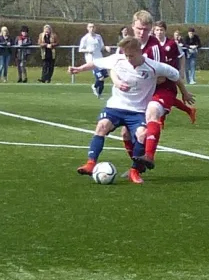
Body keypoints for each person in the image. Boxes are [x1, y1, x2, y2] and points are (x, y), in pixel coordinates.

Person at [68, 36, 180, 184]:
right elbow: (96, 63)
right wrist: (79, 69)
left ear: (140, 52)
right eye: (126, 55)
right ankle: (90, 164)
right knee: (102, 126)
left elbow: (175, 75)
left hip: (138, 110)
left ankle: (134, 171)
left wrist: (183, 92)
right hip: (116, 106)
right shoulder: (118, 59)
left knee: (142, 134)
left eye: (131, 56)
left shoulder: (153, 66)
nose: (128, 59)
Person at [110, 11, 194, 173]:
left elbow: (161, 77)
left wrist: (137, 79)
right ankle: (137, 165)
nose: (143, 33)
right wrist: (119, 81)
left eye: (147, 29)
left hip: (161, 89)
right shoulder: (126, 45)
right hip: (139, 92)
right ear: (133, 26)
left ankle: (148, 156)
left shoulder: (154, 47)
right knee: (126, 133)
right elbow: (114, 67)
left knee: (152, 111)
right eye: (140, 29)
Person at [153, 21, 196, 129]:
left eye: (161, 30)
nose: (159, 32)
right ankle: (189, 110)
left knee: (166, 97)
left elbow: (181, 56)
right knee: (158, 97)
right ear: (154, 31)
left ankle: (160, 120)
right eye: (157, 30)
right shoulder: (151, 44)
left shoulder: (172, 44)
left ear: (165, 31)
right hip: (155, 76)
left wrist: (181, 70)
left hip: (170, 76)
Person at [78, 22, 111, 98]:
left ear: (95, 28)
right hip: (92, 61)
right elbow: (80, 49)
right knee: (101, 78)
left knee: (104, 76)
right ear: (87, 28)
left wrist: (106, 47)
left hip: (100, 59)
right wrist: (88, 50)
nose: (92, 28)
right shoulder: (85, 38)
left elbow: (102, 47)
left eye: (93, 27)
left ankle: (96, 89)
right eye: (90, 27)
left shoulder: (98, 37)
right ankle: (97, 91)